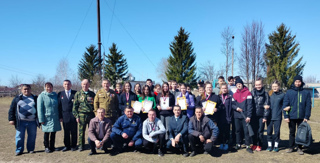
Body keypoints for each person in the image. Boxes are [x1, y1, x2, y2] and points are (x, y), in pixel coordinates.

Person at [283, 75, 311, 155]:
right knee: (292, 132)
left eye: (299, 81)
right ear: (294, 82)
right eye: (296, 82)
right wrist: (286, 116)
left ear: (301, 82)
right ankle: (291, 147)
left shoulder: (306, 93)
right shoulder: (289, 92)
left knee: (301, 133)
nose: (297, 83)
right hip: (291, 116)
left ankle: (299, 148)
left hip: (302, 117)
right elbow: (285, 105)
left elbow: (308, 105)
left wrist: (306, 116)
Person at [8, 84, 39, 156]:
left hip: (32, 121)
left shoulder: (35, 98)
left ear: (30, 89)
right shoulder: (17, 98)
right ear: (21, 90)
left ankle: (31, 149)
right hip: (20, 121)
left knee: (32, 136)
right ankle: (19, 150)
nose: (26, 90)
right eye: (24, 89)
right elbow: (12, 109)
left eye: (28, 89)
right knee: (19, 136)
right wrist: (11, 119)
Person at [37, 82, 62, 153]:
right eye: (47, 87)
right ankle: (46, 147)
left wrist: (60, 116)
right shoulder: (41, 96)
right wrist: (41, 119)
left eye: (50, 87)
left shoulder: (55, 95)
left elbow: (59, 106)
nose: (49, 88)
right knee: (47, 133)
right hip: (46, 118)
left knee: (54, 132)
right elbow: (40, 108)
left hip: (55, 117)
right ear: (45, 87)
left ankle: (52, 146)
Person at [72, 79, 96, 151]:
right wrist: (76, 116)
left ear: (89, 85)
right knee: (81, 132)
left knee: (92, 131)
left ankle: (92, 145)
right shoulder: (78, 94)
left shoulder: (92, 94)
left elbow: (94, 105)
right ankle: (81, 146)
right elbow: (75, 106)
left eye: (86, 84)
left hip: (91, 115)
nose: (85, 86)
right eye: (83, 84)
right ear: (81, 85)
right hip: (81, 115)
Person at [232, 78, 253, 153]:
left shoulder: (248, 93)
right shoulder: (234, 94)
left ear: (242, 84)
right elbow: (232, 105)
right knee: (237, 130)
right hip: (237, 116)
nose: (238, 85)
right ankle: (238, 144)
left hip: (245, 116)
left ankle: (247, 145)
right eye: (237, 84)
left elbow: (250, 105)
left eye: (240, 84)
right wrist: (236, 108)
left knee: (246, 131)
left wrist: (249, 116)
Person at [58, 80, 78, 152]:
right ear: (63, 85)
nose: (67, 85)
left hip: (74, 115)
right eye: (65, 84)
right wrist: (60, 116)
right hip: (64, 116)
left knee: (74, 131)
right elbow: (59, 106)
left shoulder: (75, 93)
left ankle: (74, 146)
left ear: (71, 85)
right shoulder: (60, 94)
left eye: (68, 84)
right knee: (66, 132)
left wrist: (77, 115)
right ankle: (67, 146)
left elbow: (78, 105)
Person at [251, 78, 270, 151]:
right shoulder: (252, 92)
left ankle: (260, 145)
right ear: (254, 85)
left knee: (260, 131)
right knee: (254, 130)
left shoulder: (265, 94)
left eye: (259, 84)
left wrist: (265, 116)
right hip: (253, 115)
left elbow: (267, 105)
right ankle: (254, 144)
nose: (258, 86)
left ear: (262, 85)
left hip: (261, 115)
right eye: (256, 85)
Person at [266, 80, 285, 152]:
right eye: (273, 86)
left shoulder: (282, 95)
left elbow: (284, 105)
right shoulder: (269, 94)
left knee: (276, 132)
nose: (274, 88)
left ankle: (276, 146)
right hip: (269, 117)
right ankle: (269, 146)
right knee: (269, 132)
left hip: (277, 116)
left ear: (279, 86)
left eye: (276, 86)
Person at [218, 84, 233, 151]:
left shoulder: (229, 97)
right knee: (221, 131)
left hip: (227, 117)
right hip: (220, 117)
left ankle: (226, 144)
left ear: (227, 89)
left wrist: (230, 117)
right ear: (220, 89)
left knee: (227, 132)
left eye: (225, 88)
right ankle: (221, 143)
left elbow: (231, 108)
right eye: (222, 88)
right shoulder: (218, 97)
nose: (224, 89)